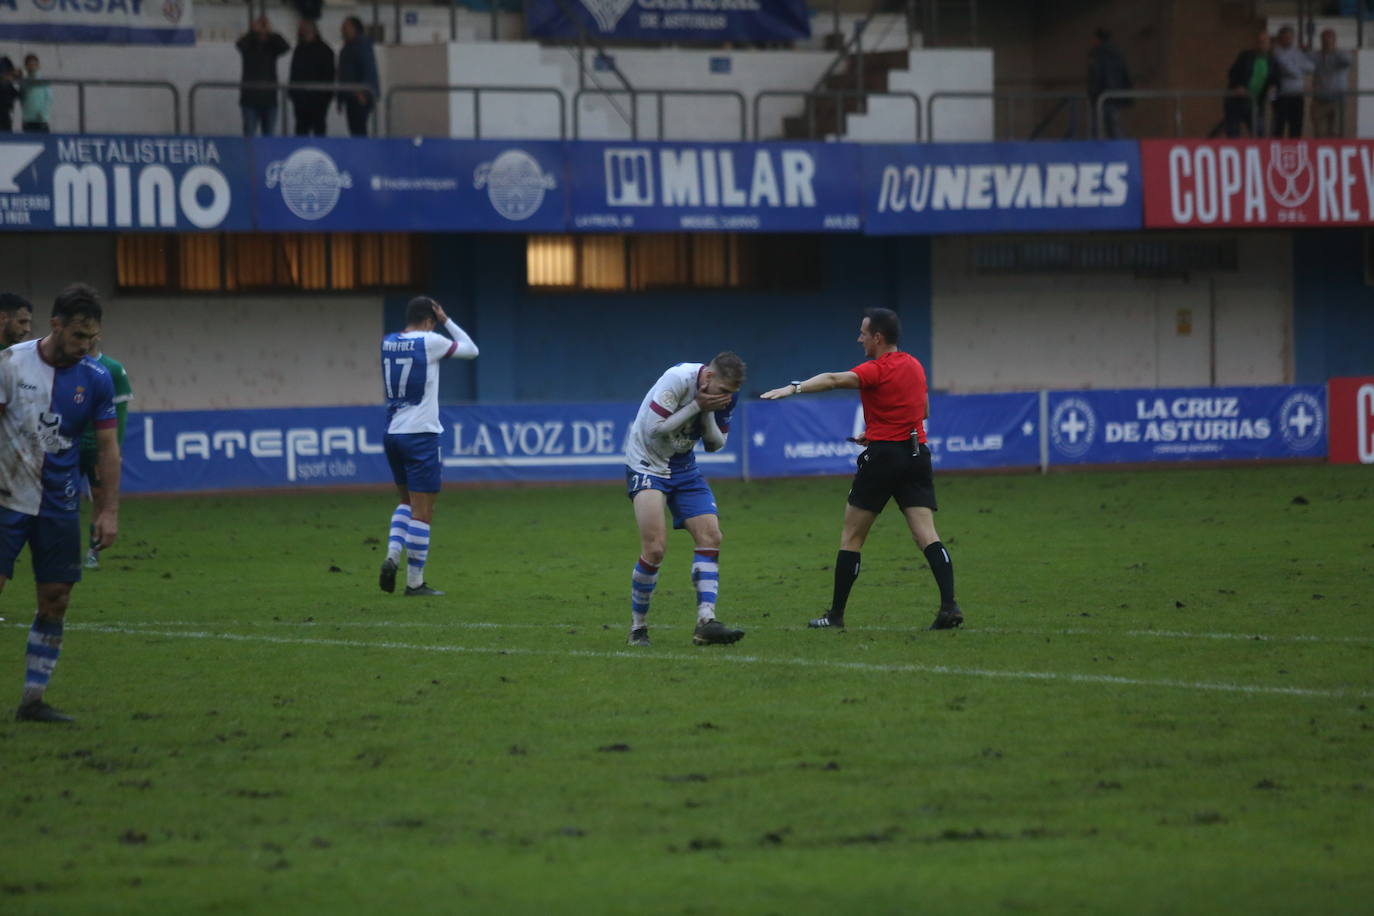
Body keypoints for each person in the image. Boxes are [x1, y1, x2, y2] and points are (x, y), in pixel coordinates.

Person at [761, 308, 961, 632]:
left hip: (884, 458)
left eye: (863, 333)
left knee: (852, 536)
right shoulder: (915, 365)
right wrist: (881, 427)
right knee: (926, 534)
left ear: (878, 337)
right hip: (916, 454)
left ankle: (836, 616)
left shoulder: (876, 369)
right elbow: (922, 410)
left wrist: (794, 388)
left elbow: (833, 380)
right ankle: (950, 605)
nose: (860, 339)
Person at [0, 284, 120, 723]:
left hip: (59, 503)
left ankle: (33, 700)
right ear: (56, 326)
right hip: (6, 498)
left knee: (55, 597)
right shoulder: (11, 363)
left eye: (93, 339)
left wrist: (107, 511)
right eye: (78, 338)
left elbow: (108, 449)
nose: (86, 348)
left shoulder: (96, 378)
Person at [623, 352, 747, 648]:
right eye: (723, 391)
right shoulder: (677, 380)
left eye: (732, 393)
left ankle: (706, 622)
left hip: (683, 466)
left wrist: (705, 412)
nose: (727, 398)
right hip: (647, 464)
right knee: (655, 549)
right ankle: (638, 628)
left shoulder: (724, 396)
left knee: (711, 535)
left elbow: (716, 445)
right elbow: (655, 429)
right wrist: (696, 405)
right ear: (708, 377)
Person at [377, 297, 478, 597]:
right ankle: (414, 582)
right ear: (429, 320)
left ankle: (393, 554)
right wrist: (446, 320)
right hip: (421, 435)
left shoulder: (388, 342)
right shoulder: (430, 339)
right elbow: (471, 350)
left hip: (393, 432)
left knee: (406, 502)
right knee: (423, 511)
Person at [79, 345, 132, 570]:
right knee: (60, 500)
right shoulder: (64, 366)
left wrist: (114, 450)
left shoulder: (112, 369)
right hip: (67, 444)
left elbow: (120, 412)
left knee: (100, 497)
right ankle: (60, 551)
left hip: (97, 446)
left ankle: (93, 551)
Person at [235, 15, 290, 136]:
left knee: (269, 136)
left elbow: (286, 47)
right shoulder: (249, 44)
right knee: (249, 135)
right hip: (250, 98)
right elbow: (239, 45)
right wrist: (252, 32)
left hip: (269, 99)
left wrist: (271, 33)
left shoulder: (272, 45)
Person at [1224, 30, 1279, 137]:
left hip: (1256, 103)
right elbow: (1232, 73)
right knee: (1233, 133)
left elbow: (1276, 79)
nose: (1260, 45)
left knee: (1258, 133)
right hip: (1237, 101)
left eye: (1264, 42)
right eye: (1259, 42)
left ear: (1269, 45)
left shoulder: (1272, 61)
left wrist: (1274, 87)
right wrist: (1238, 86)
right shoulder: (1245, 56)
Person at [289, 19, 335, 137]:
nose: (300, 32)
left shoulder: (325, 50)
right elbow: (294, 73)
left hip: (319, 102)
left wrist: (325, 98)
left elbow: (329, 76)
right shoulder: (299, 49)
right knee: (301, 133)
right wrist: (294, 94)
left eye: (302, 29)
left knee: (319, 132)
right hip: (301, 102)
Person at [337, 16, 379, 138]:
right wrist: (340, 98)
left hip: (358, 96)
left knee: (359, 129)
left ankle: (363, 154)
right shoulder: (347, 47)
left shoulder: (361, 45)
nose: (342, 30)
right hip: (350, 95)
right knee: (355, 129)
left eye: (346, 27)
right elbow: (343, 75)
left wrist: (364, 93)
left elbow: (368, 69)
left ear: (354, 28)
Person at [1087, 28, 1131, 139]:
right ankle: (1118, 152)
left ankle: (1099, 153)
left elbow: (1095, 77)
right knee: (1113, 126)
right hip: (1115, 96)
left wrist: (1092, 93)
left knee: (1098, 128)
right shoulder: (1117, 54)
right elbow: (1125, 75)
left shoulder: (1096, 55)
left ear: (1097, 39)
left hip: (1101, 96)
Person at [1271, 25, 1314, 138]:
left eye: (1290, 37)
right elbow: (1290, 70)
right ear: (1280, 38)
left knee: (1296, 126)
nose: (1288, 40)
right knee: (1278, 126)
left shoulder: (1297, 52)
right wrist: (1299, 70)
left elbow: (1311, 67)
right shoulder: (1276, 52)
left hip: (1297, 94)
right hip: (1281, 95)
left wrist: (1296, 67)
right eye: (1285, 37)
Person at [1309, 28, 1353, 138]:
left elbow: (1348, 61)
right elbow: (1305, 65)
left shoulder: (1342, 54)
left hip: (1338, 100)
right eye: (1324, 39)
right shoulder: (1316, 55)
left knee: (1335, 132)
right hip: (1319, 100)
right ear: (1320, 40)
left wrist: (1334, 52)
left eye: (1329, 39)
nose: (1327, 42)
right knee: (1318, 133)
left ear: (1335, 40)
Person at [19, 54, 50, 134]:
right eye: (30, 64)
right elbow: (22, 98)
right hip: (28, 120)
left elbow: (48, 99)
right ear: (26, 66)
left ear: (38, 66)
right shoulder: (24, 82)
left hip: (41, 120)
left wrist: (44, 114)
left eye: (34, 64)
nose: (32, 67)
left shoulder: (44, 82)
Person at [0, 56, 20, 133]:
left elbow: (15, 75)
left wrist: (13, 74)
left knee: (6, 126)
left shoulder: (5, 60)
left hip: (6, 102)